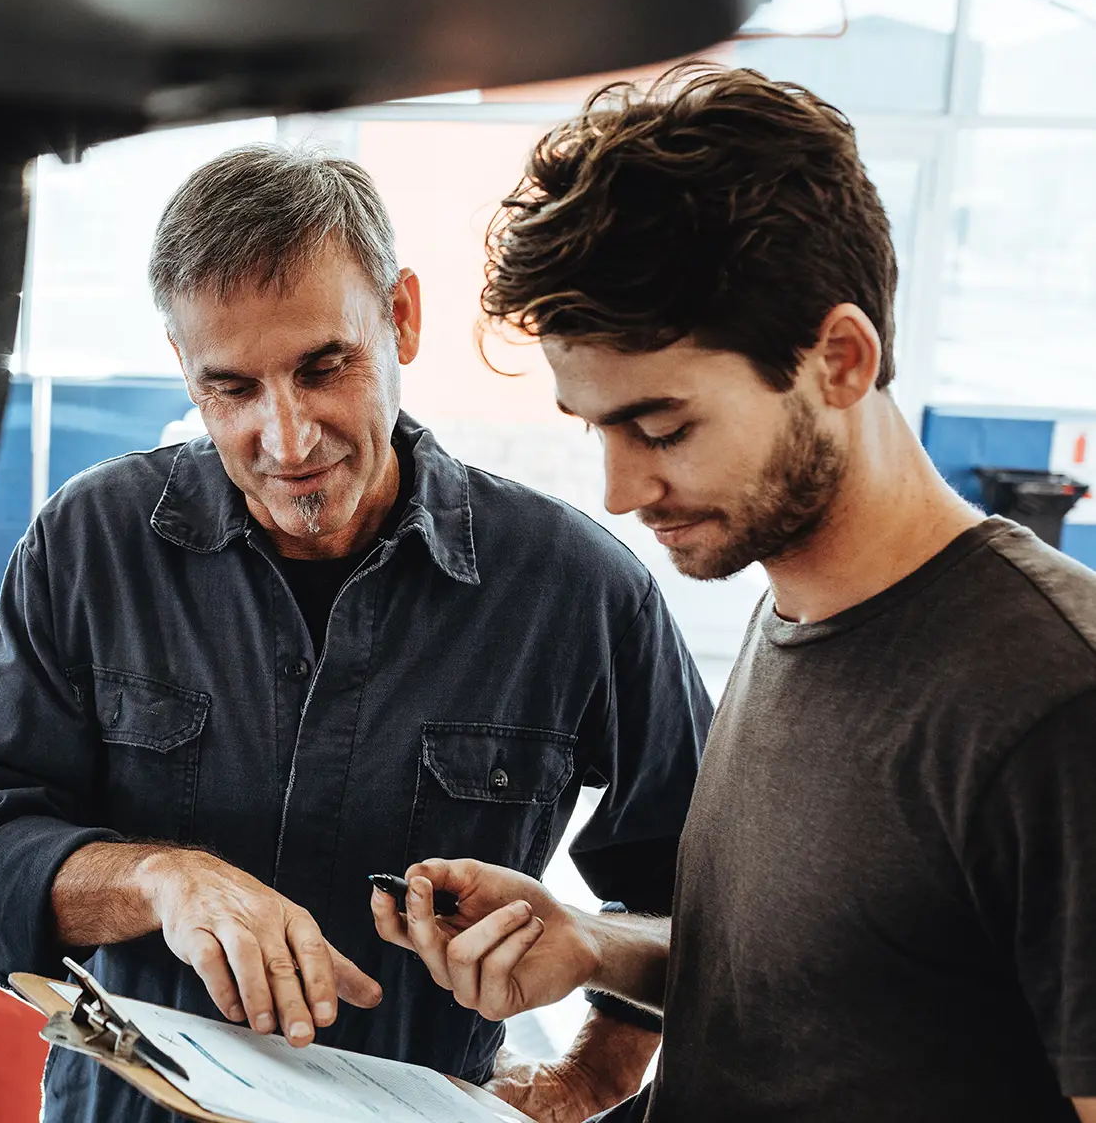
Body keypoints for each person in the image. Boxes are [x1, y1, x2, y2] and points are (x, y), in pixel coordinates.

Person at [0, 144, 717, 1123]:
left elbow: (703, 905)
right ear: (183, 369)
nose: (286, 441)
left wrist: (595, 1072)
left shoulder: (579, 591)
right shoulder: (91, 546)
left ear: (402, 318)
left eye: (325, 368)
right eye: (232, 389)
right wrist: (162, 881)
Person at [373, 65, 1096, 1122]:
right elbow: (822, 996)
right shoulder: (792, 611)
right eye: (598, 429)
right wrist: (588, 944)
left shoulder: (1052, 703)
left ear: (840, 359)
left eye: (662, 428)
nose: (621, 490)